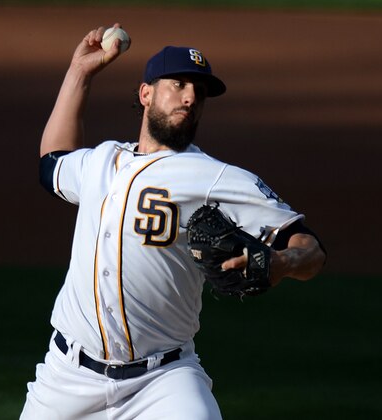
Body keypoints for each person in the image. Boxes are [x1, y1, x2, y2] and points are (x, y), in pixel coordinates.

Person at [20, 23, 326, 420]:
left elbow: (311, 249)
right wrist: (80, 73)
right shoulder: (101, 161)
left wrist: (282, 263)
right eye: (179, 84)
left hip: (162, 382)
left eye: (199, 91)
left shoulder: (217, 177)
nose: (191, 97)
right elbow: (52, 164)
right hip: (66, 379)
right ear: (145, 93)